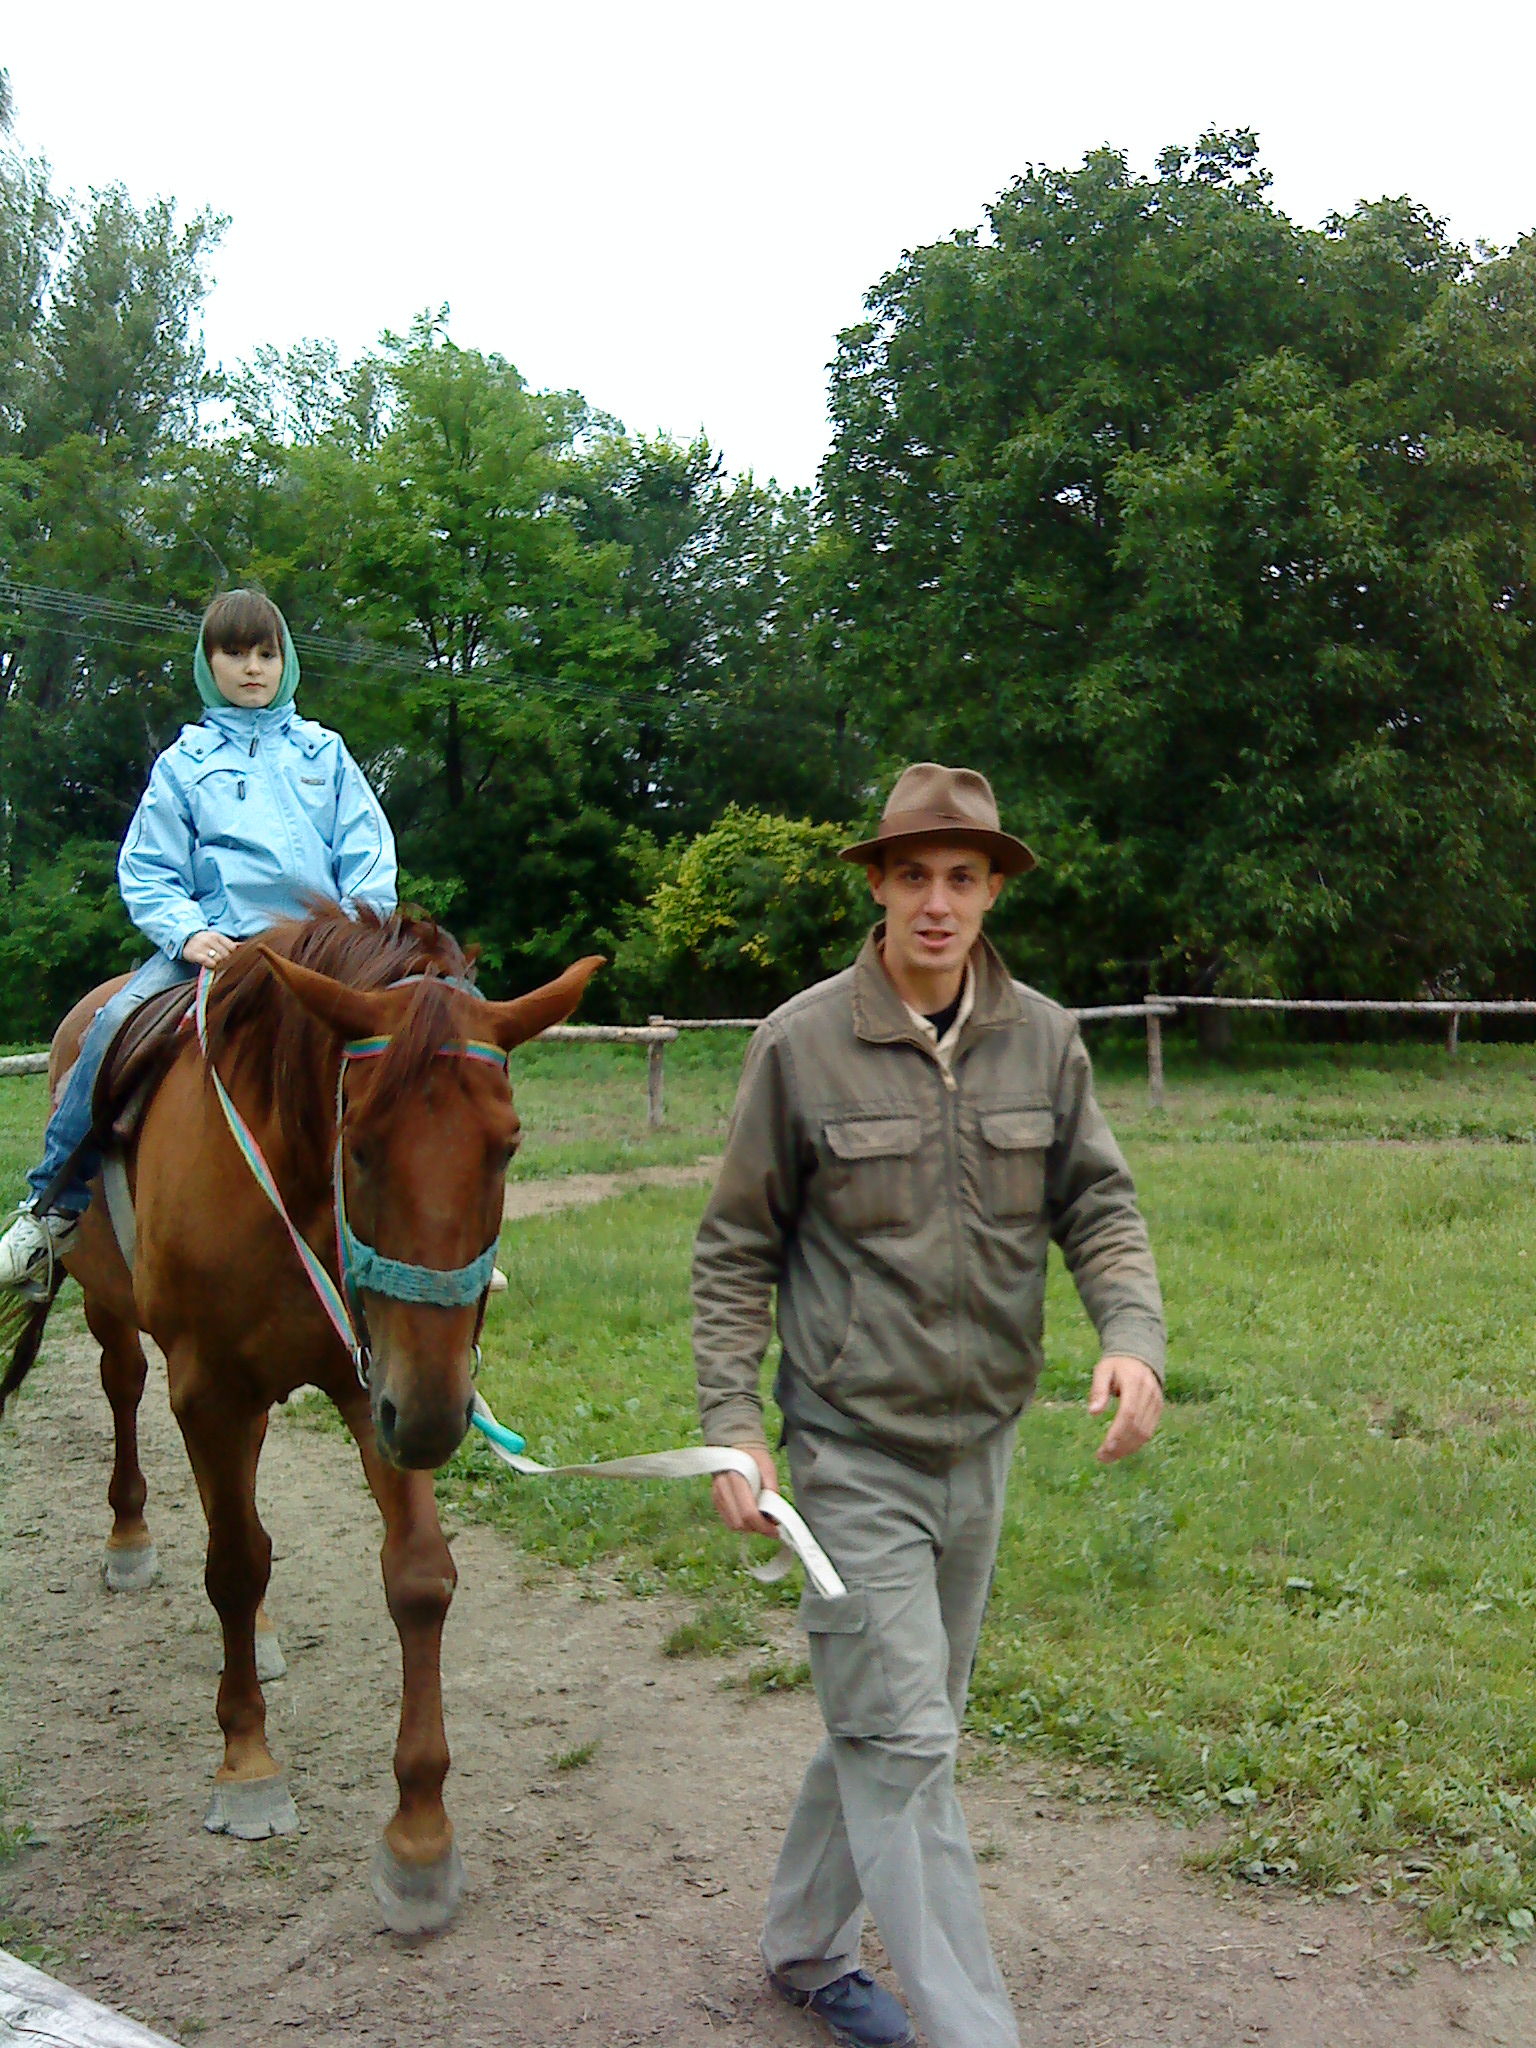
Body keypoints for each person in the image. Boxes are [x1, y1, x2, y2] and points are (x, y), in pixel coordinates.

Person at [692, 762, 1167, 2048]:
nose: (938, 901)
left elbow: (1100, 1204)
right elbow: (735, 1248)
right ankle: (975, 2030)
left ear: (994, 887)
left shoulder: (1045, 1040)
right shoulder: (800, 1045)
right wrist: (733, 1422)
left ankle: (805, 1941)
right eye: (914, 875)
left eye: (963, 876)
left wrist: (1132, 1337)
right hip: (852, 1451)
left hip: (984, 1444)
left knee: (897, 1718)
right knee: (904, 1737)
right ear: (880, 886)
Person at [0, 589, 398, 1296]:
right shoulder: (184, 763)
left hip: (325, 954)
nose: (253, 668)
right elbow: (148, 868)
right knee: (112, 1024)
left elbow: (369, 855)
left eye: (266, 653)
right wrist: (188, 932)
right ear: (207, 663)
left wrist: (351, 937)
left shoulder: (325, 754)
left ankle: (420, 1237)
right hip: (218, 947)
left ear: (286, 661)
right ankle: (52, 1206)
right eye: (235, 653)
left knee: (420, 1037)